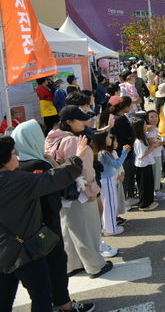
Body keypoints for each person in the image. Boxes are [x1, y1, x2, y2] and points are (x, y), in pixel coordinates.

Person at [11, 121, 96, 312]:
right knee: (56, 266)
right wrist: (75, 159)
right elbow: (56, 185)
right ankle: (65, 306)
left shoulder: (16, 167)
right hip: (46, 226)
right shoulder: (37, 164)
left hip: (22, 233)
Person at [45, 106, 114, 278]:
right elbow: (83, 169)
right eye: (80, 119)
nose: (85, 122)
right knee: (87, 231)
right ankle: (95, 266)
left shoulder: (52, 138)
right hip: (81, 192)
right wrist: (92, 191)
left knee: (69, 230)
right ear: (69, 121)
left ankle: (73, 265)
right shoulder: (73, 141)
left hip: (64, 193)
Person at [94, 131, 130, 236]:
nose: (110, 139)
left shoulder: (100, 152)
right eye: (108, 138)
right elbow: (117, 164)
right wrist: (124, 152)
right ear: (103, 140)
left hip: (104, 180)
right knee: (110, 205)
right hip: (107, 181)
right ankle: (111, 229)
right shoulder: (104, 153)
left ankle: (108, 227)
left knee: (107, 205)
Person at [131, 117, 159, 211]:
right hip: (142, 165)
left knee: (149, 184)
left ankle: (149, 202)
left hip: (147, 164)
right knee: (144, 186)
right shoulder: (138, 141)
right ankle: (144, 204)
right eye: (144, 125)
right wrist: (152, 147)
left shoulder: (143, 137)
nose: (146, 126)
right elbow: (141, 155)